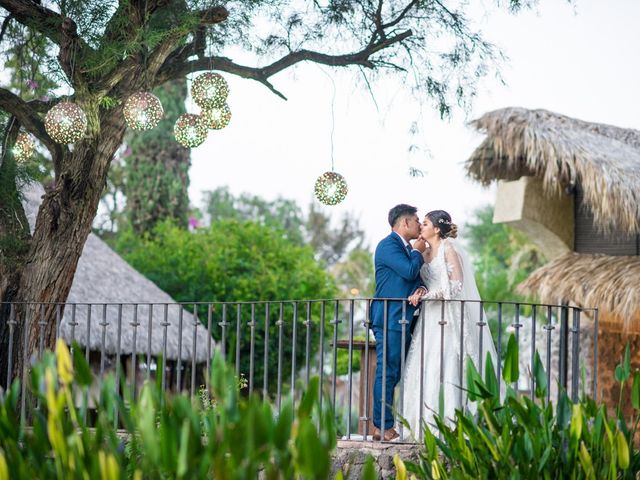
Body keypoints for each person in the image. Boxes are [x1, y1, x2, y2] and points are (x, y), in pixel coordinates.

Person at [401, 210, 498, 439]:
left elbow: (455, 287)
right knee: (427, 362)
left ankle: (451, 423)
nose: (420, 227)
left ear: (436, 229)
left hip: (448, 314)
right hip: (430, 317)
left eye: (424, 224)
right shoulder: (423, 251)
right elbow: (426, 280)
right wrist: (423, 290)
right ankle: (422, 423)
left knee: (447, 362)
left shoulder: (449, 249)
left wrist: (426, 296)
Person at [370, 204, 427, 441]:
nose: (419, 225)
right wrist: (418, 250)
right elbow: (409, 271)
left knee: (395, 372)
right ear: (404, 223)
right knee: (387, 371)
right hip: (389, 317)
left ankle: (381, 427)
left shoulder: (403, 248)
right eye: (416, 220)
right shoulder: (388, 246)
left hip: (404, 319)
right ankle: (382, 427)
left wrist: (422, 288)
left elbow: (416, 279)